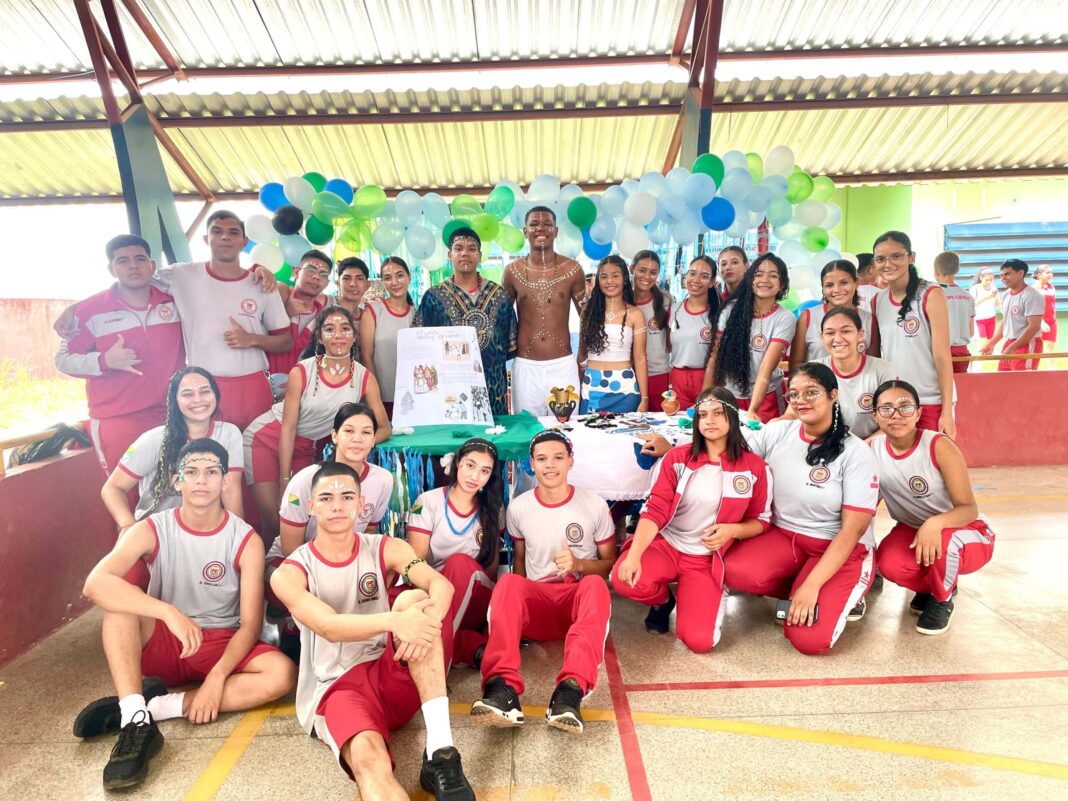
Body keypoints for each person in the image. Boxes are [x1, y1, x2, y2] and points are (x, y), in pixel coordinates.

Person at [75, 438, 295, 790]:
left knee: (281, 674)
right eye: (191, 472)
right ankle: (136, 727)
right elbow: (95, 583)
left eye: (211, 472)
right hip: (167, 637)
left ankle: (150, 708)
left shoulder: (245, 539)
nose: (201, 480)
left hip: (219, 641)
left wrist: (216, 679)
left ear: (225, 481)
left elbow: (251, 624)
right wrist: (167, 612)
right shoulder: (152, 527)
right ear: (177, 481)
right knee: (119, 609)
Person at [269, 462, 475, 800]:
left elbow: (440, 584)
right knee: (369, 760)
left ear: (361, 504)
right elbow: (329, 626)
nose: (337, 505)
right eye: (326, 497)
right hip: (338, 686)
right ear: (311, 506)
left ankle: (441, 751)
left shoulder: (385, 547)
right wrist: (395, 622)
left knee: (416, 597)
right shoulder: (291, 572)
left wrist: (426, 620)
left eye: (347, 496)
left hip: (392, 670)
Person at [724, 363, 879, 652]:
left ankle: (842, 590)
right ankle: (800, 586)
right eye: (794, 394)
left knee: (808, 640)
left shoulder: (856, 452)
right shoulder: (779, 432)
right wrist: (676, 450)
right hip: (785, 537)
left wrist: (812, 587)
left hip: (839, 547)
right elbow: (730, 455)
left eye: (811, 393)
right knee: (733, 570)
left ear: (833, 395)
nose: (801, 401)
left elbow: (852, 530)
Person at [471, 431, 615, 733]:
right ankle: (501, 689)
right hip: (537, 609)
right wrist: (513, 613)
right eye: (542, 459)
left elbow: (609, 565)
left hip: (575, 605)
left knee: (595, 586)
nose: (550, 465)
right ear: (531, 465)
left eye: (558, 457)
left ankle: (570, 692)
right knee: (509, 582)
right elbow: (520, 562)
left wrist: (578, 564)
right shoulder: (520, 507)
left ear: (571, 461)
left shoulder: (594, 505)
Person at [613, 387, 771, 652]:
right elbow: (655, 511)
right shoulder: (676, 458)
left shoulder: (755, 468)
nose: (709, 420)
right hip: (667, 545)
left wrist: (733, 530)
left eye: (718, 413)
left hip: (706, 559)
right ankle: (663, 601)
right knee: (624, 578)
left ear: (733, 418)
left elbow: (762, 520)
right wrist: (634, 555)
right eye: (703, 414)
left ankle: (700, 598)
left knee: (699, 642)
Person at [245, 307, 390, 546]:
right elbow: (288, 427)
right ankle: (269, 579)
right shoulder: (302, 371)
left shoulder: (364, 377)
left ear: (354, 336)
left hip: (305, 447)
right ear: (320, 338)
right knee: (272, 520)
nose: (338, 335)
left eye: (345, 329)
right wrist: (284, 479)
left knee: (301, 520)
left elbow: (384, 427)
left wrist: (359, 440)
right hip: (266, 438)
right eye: (329, 329)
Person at [870, 380, 995, 634]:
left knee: (945, 543)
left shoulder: (939, 445)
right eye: (886, 408)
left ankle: (942, 598)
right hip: (913, 528)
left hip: (967, 531)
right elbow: (865, 503)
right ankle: (930, 587)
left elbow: (968, 508)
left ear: (918, 412)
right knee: (889, 562)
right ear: (875, 415)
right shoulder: (872, 450)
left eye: (905, 407)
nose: (896, 415)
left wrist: (934, 523)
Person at [54, 234, 185, 473]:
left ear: (152, 265)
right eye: (123, 261)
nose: (133, 266)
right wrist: (104, 361)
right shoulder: (88, 312)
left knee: (175, 492)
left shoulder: (175, 302)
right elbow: (63, 361)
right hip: (118, 420)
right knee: (127, 495)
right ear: (111, 269)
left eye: (140, 259)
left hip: (172, 415)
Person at [157, 210, 293, 430]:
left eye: (233, 232)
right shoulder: (182, 275)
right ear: (206, 239)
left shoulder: (262, 284)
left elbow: (285, 341)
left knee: (254, 454)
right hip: (204, 385)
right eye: (217, 232)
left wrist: (252, 339)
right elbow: (140, 276)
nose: (225, 237)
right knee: (209, 456)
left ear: (244, 241)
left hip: (253, 385)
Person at [101, 367, 243, 528]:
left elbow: (230, 490)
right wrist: (128, 527)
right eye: (187, 394)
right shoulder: (154, 439)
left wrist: (237, 537)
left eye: (205, 391)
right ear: (174, 400)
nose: (198, 400)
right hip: (156, 531)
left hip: (206, 528)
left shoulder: (230, 434)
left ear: (216, 394)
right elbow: (112, 488)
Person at [406, 438, 504, 669]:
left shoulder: (493, 507)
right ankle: (466, 645)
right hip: (434, 591)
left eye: (484, 471)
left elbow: (491, 570)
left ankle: (438, 662)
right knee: (398, 597)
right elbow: (416, 561)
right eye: (470, 466)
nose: (475, 476)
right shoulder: (427, 502)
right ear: (457, 463)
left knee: (460, 563)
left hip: (475, 595)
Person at [414, 227, 518, 416]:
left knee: (495, 439)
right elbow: (421, 344)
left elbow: (509, 345)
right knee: (454, 438)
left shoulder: (500, 296)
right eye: (458, 248)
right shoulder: (434, 297)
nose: (465, 253)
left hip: (493, 387)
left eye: (471, 249)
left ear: (479, 256)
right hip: (449, 386)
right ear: (449, 255)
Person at [870, 231, 956, 437]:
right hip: (895, 404)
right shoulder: (878, 300)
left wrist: (946, 411)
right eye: (881, 259)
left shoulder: (931, 294)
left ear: (911, 257)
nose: (888, 264)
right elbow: (875, 358)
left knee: (933, 466)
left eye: (896, 256)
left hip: (930, 402)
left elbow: (942, 356)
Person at [502, 206, 587, 416]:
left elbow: (586, 317)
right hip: (525, 366)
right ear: (525, 231)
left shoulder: (572, 269)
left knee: (567, 431)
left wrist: (582, 358)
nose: (541, 228)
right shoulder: (512, 271)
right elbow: (502, 319)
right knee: (528, 431)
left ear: (556, 231)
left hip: (563, 365)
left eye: (547, 224)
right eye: (534, 224)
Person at [776, 307, 896, 439]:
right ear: (822, 338)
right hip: (826, 448)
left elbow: (893, 422)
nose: (838, 339)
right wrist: (774, 425)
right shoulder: (812, 370)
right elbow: (792, 414)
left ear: (860, 335)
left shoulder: (883, 370)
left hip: (871, 448)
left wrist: (860, 448)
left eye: (845, 331)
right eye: (830, 333)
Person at [705, 254, 796, 423]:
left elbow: (766, 368)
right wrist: (704, 398)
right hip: (728, 396)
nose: (765, 279)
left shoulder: (785, 318)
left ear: (782, 285)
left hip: (766, 398)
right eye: (759, 274)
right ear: (750, 279)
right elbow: (713, 357)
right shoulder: (730, 310)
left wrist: (753, 410)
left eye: (773, 275)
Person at [577, 255, 649, 413]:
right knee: (589, 436)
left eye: (615, 275)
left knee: (625, 437)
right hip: (592, 387)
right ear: (598, 281)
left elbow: (640, 358)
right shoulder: (587, 311)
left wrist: (645, 398)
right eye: (604, 276)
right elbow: (581, 354)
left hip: (625, 390)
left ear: (624, 279)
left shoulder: (635, 314)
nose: (609, 281)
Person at [789, 260, 878, 371]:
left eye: (844, 282)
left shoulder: (869, 320)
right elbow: (796, 364)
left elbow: (874, 365)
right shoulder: (808, 317)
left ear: (856, 283)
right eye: (829, 285)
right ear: (823, 289)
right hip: (817, 386)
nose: (836, 290)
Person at [360, 256, 414, 416]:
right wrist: (375, 396)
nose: (395, 282)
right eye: (388, 278)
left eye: (400, 275)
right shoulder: (373, 310)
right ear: (383, 282)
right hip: (382, 399)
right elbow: (366, 356)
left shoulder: (416, 313)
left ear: (409, 277)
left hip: (411, 398)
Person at [267, 249, 332, 382]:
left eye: (323, 274)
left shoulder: (324, 318)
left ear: (327, 283)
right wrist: (285, 312)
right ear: (296, 272)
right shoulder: (275, 297)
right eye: (311, 270)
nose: (316, 277)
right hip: (268, 386)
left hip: (303, 391)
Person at [667, 255, 720, 411]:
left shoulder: (718, 313)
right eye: (692, 273)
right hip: (677, 378)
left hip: (707, 377)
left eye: (704, 276)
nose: (696, 280)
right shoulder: (674, 309)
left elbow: (716, 356)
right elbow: (668, 345)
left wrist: (706, 390)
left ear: (712, 282)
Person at [981, 259, 1044, 371]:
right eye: (1001, 275)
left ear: (1020, 273)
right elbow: (1006, 321)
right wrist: (992, 343)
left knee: (1021, 383)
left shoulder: (1032, 296)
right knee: (1004, 381)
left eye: (1007, 274)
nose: (1003, 278)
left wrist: (1012, 347)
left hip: (1028, 344)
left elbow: (1034, 327)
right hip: (1010, 343)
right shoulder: (1005, 295)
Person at [631, 250, 673, 411]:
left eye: (653, 272)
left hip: (659, 375)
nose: (647, 277)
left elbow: (670, 343)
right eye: (642, 270)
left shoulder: (666, 301)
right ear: (631, 269)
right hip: (630, 376)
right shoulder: (622, 301)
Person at [933, 252, 976, 375]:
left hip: (938, 352)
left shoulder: (932, 294)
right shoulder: (968, 296)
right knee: (959, 388)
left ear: (937, 272)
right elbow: (971, 331)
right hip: (961, 351)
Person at [969, 268, 1001, 355]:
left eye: (991, 280)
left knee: (990, 343)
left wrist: (996, 296)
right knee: (981, 343)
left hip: (991, 318)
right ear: (981, 277)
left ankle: (985, 364)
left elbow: (998, 303)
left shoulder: (993, 288)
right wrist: (987, 297)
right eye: (987, 280)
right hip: (979, 319)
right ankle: (977, 365)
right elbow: (972, 305)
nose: (989, 282)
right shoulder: (975, 288)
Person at [334, 256, 370, 322]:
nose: (353, 284)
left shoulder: (368, 319)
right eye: (346, 278)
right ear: (338, 283)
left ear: (367, 285)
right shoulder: (326, 312)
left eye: (359, 279)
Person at [1035, 265, 1058, 367]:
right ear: (1039, 275)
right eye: (1047, 273)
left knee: (1050, 346)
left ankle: (1053, 371)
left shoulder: (1051, 287)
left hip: (1051, 321)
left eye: (1051, 272)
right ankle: (1031, 370)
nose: (1050, 274)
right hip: (1038, 322)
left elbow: (1053, 305)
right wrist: (1041, 322)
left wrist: (1053, 320)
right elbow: (1033, 308)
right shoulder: (1034, 288)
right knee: (1036, 348)